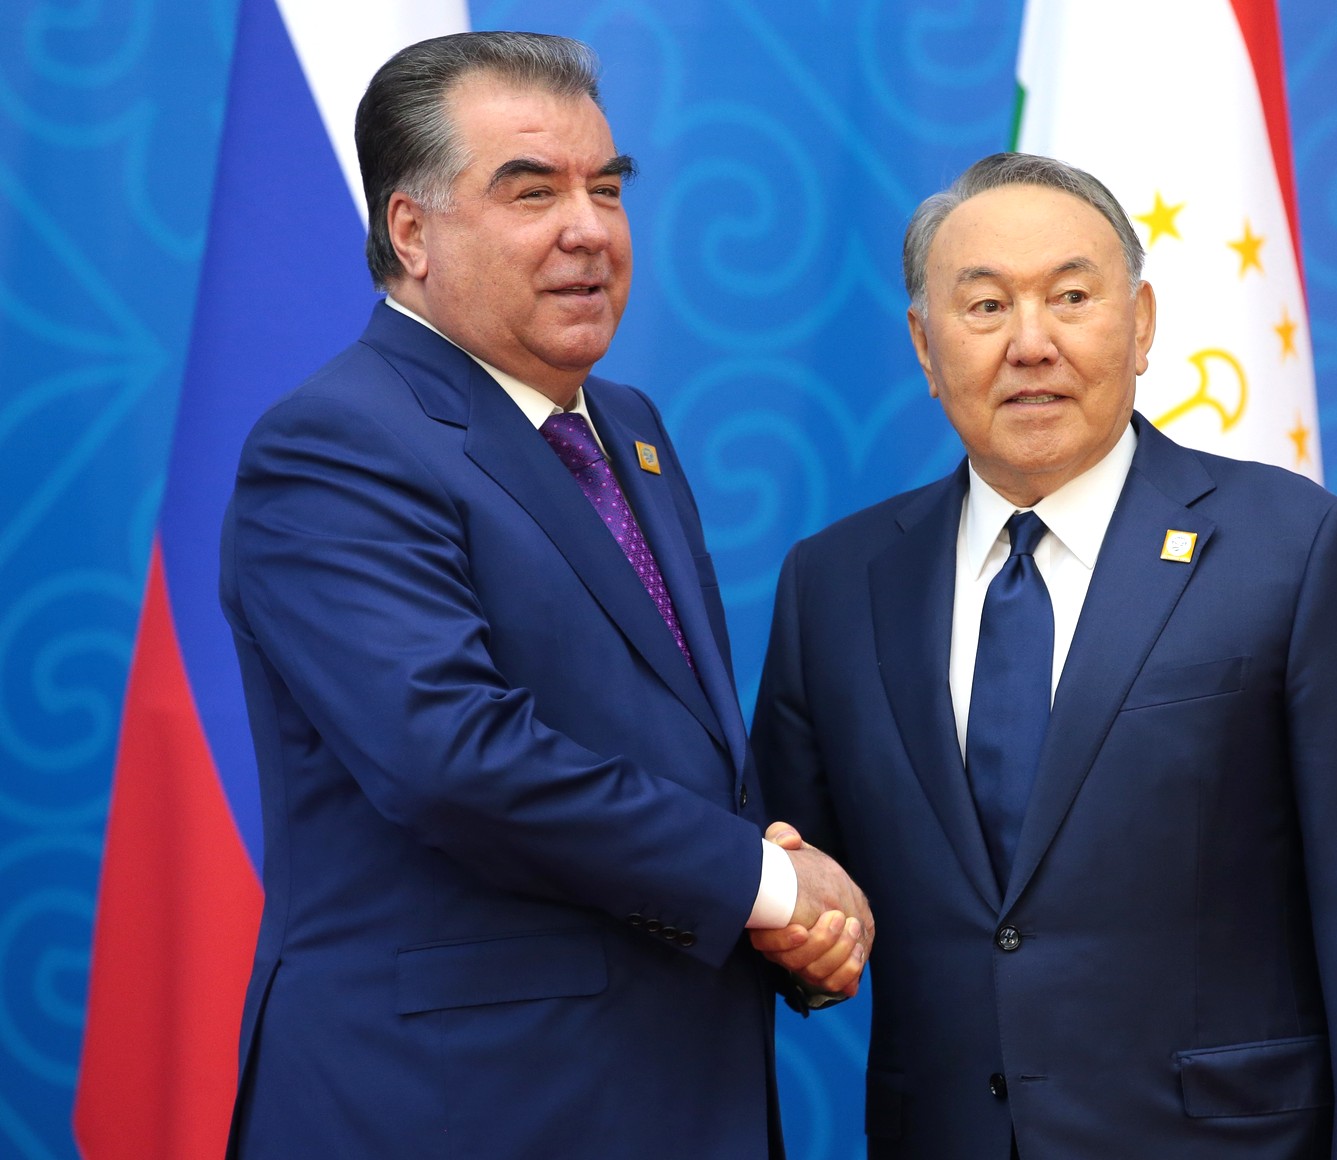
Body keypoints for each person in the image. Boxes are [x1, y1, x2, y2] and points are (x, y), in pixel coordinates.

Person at [219, 32, 869, 1157]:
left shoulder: (628, 427)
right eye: (532, 193)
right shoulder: (335, 444)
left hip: (672, 1091)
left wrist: (784, 911)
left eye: (605, 189)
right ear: (411, 231)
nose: (589, 229)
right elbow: (453, 758)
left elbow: (674, 741)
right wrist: (766, 884)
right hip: (459, 1108)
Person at [750, 152, 1337, 1158]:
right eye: (985, 306)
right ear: (924, 345)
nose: (1030, 343)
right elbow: (799, 886)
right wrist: (799, 935)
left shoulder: (1294, 551)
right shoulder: (835, 584)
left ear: (1141, 324)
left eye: (1071, 297)